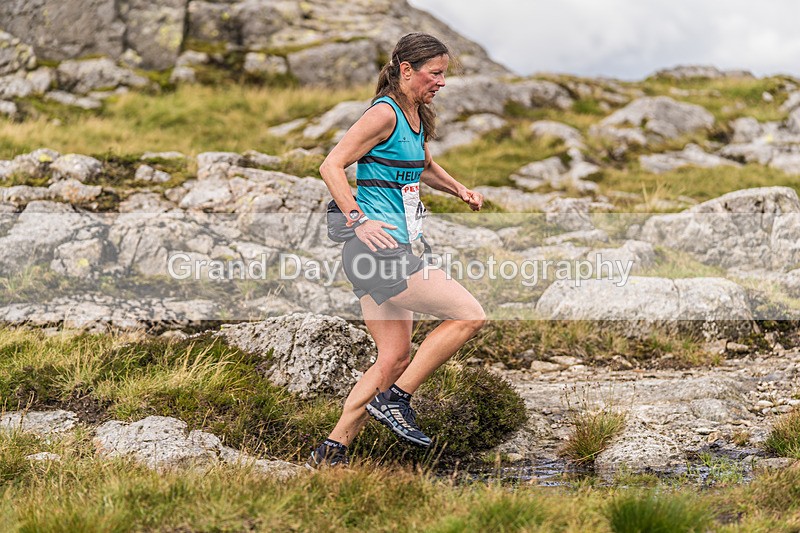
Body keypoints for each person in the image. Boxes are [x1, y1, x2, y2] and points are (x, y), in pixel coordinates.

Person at [307, 32, 486, 468]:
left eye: (444, 74)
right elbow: (330, 165)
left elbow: (422, 164)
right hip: (375, 250)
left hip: (394, 247)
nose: (441, 82)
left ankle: (331, 451)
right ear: (406, 70)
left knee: (393, 357)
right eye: (435, 73)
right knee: (469, 315)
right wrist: (359, 219)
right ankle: (397, 399)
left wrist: (458, 188)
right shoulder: (383, 114)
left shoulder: (416, 115)